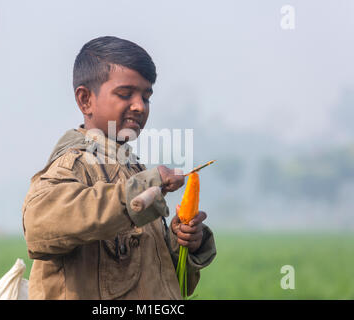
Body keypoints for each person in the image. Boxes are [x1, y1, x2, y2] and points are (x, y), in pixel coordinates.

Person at [22, 36, 216, 299]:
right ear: (85, 100)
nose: (139, 106)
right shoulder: (76, 163)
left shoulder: (131, 169)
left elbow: (152, 280)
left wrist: (181, 242)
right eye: (125, 94)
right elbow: (38, 225)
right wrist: (144, 189)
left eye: (146, 97)